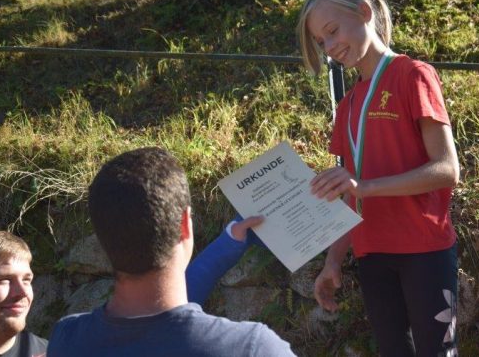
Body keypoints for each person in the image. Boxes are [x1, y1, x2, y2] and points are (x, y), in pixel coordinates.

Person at [298, 0, 460, 357]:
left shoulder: (413, 75)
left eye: (333, 31)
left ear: (364, 12)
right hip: (372, 252)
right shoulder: (347, 105)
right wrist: (333, 261)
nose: (331, 47)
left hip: (424, 248)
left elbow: (446, 168)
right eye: (322, 42)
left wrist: (364, 186)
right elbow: (349, 195)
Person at [47, 147, 295, 357]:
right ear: (185, 225)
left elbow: (157, 321)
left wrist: (227, 245)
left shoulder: (67, 340)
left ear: (101, 239)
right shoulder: (251, 349)